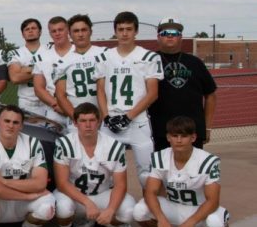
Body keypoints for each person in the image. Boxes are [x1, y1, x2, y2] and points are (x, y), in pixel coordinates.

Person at [133, 116, 229, 227]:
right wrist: (160, 219)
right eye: (175, 136)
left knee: (216, 224)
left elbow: (213, 201)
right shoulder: (160, 157)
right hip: (172, 206)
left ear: (193, 137)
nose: (179, 140)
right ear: (168, 137)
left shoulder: (208, 161)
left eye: (184, 136)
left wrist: (191, 222)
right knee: (139, 211)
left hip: (199, 209)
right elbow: (150, 192)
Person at [95, 11, 163, 194]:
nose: (124, 33)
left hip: (138, 122)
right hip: (111, 122)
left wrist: (128, 116)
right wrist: (106, 116)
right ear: (115, 31)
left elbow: (153, 93)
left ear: (136, 31)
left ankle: (151, 211)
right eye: (121, 29)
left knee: (146, 172)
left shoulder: (149, 57)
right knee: (104, 170)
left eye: (129, 29)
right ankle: (108, 214)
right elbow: (100, 90)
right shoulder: (104, 57)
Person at [53, 103, 136, 227]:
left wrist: (110, 210)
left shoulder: (114, 146)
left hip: (102, 192)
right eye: (83, 121)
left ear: (99, 122)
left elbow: (121, 185)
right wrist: (87, 203)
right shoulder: (65, 143)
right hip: (74, 194)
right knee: (62, 208)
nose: (88, 125)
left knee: (129, 211)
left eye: (92, 120)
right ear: (75, 123)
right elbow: (62, 183)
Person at [148, 17, 217, 151]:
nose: (169, 36)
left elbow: (211, 95)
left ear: (181, 37)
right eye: (165, 33)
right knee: (161, 169)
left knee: (192, 170)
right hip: (160, 130)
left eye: (174, 33)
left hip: (191, 131)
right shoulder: (149, 61)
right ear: (158, 37)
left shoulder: (195, 62)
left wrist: (207, 127)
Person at [54, 14, 101, 129]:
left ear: (90, 31)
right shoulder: (62, 62)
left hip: (102, 117)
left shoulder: (105, 54)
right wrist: (77, 118)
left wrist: (104, 116)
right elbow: (61, 95)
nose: (80, 34)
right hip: (75, 118)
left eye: (84, 30)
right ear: (70, 34)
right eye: (76, 31)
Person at [32, 16, 74, 123]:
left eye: (60, 30)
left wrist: (68, 108)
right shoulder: (42, 57)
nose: (57, 33)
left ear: (68, 30)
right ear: (50, 33)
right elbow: (38, 88)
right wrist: (57, 104)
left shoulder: (78, 52)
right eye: (53, 31)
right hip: (54, 111)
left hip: (79, 108)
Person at [8, 18, 47, 116]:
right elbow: (15, 78)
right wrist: (42, 69)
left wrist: (24, 69)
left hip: (48, 101)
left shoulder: (50, 50)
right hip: (26, 102)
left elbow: (56, 69)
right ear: (22, 34)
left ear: (40, 32)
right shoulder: (15, 53)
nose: (30, 30)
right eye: (27, 29)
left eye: (33, 28)